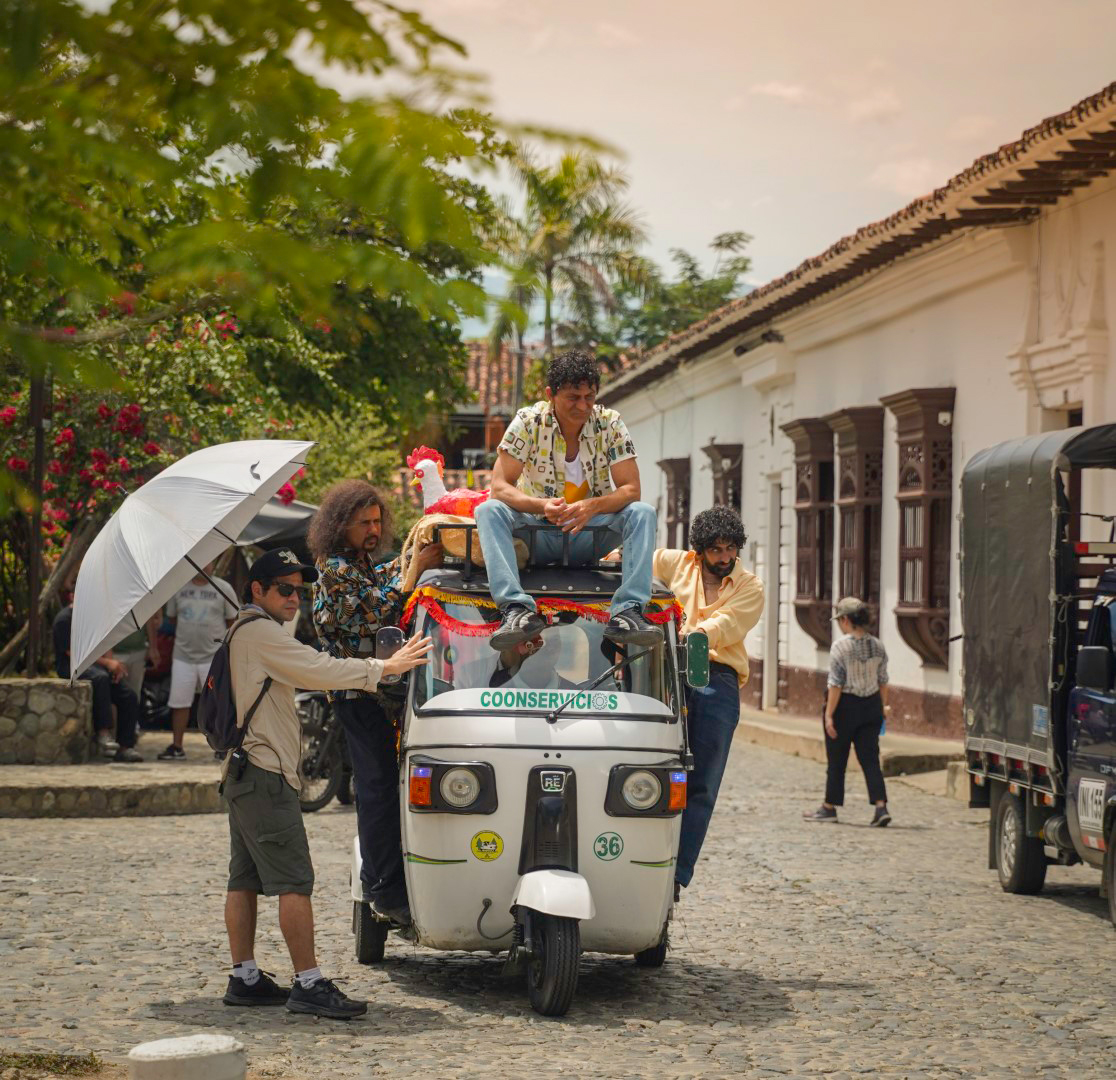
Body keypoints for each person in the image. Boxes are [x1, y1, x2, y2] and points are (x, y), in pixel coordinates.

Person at [221, 547, 432, 1019]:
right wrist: (387, 668)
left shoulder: (246, 630)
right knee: (295, 881)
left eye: (300, 589)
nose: (296, 598)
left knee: (245, 879)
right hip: (266, 773)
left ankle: (245, 976)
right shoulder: (260, 634)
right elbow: (322, 669)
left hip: (242, 774)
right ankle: (308, 983)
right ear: (258, 590)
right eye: (285, 589)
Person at [309, 480, 442, 927]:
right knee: (377, 790)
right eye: (363, 522)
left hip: (385, 694)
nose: (373, 528)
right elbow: (376, 608)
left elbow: (386, 580)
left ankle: (400, 876)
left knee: (395, 786)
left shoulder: (364, 564)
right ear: (340, 524)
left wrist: (416, 561)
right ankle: (383, 889)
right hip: (357, 694)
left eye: (376, 520)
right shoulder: (334, 570)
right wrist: (414, 571)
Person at [475, 349, 661, 651]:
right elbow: (499, 486)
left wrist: (592, 506)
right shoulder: (528, 421)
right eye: (574, 397)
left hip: (591, 534)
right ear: (551, 394)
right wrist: (542, 506)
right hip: (537, 533)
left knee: (643, 512)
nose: (583, 405)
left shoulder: (611, 424)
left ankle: (627, 612)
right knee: (488, 509)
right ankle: (515, 610)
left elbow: (631, 489)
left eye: (590, 396)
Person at [645, 506, 764, 894]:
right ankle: (642, 858)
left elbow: (729, 624)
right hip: (663, 673)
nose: (725, 557)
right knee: (649, 769)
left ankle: (676, 876)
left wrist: (692, 635)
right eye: (716, 550)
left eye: (731, 548)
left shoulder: (751, 585)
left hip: (716, 678)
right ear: (699, 551)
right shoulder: (676, 564)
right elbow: (633, 558)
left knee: (702, 784)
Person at [803, 597, 892, 827]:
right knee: (871, 758)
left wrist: (829, 715)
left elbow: (836, 684)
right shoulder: (879, 645)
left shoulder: (840, 647)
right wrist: (882, 708)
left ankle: (829, 807)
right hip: (871, 704)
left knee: (837, 759)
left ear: (845, 620)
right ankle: (880, 806)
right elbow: (883, 681)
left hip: (846, 706)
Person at [158, 563, 238, 761]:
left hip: (213, 657)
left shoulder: (224, 589)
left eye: (210, 561)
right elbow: (173, 618)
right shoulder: (179, 588)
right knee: (179, 702)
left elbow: (232, 621)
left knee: (218, 703)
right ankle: (177, 746)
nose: (205, 566)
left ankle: (221, 746)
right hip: (183, 655)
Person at [51, 600, 143, 762]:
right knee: (100, 678)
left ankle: (125, 747)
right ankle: (103, 732)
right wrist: (107, 664)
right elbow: (71, 652)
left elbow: (106, 643)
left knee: (129, 696)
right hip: (73, 666)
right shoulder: (64, 619)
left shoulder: (94, 617)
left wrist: (112, 666)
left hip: (97, 666)